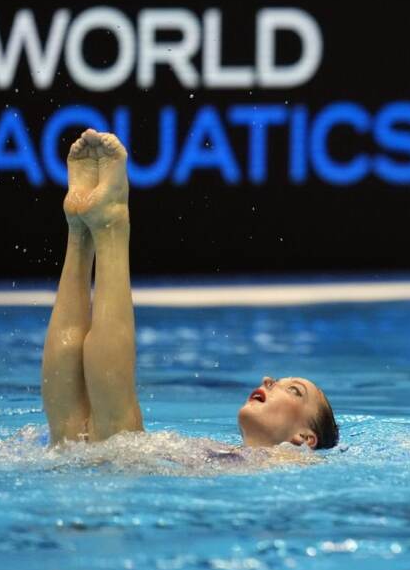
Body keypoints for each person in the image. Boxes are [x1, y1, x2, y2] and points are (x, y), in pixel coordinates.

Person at [40, 129, 338, 452]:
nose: (269, 380)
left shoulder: (291, 468)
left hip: (117, 474)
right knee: (99, 440)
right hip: (122, 474)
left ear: (305, 439)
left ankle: (88, 231)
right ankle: (91, 228)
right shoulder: (230, 458)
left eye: (294, 391)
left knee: (71, 438)